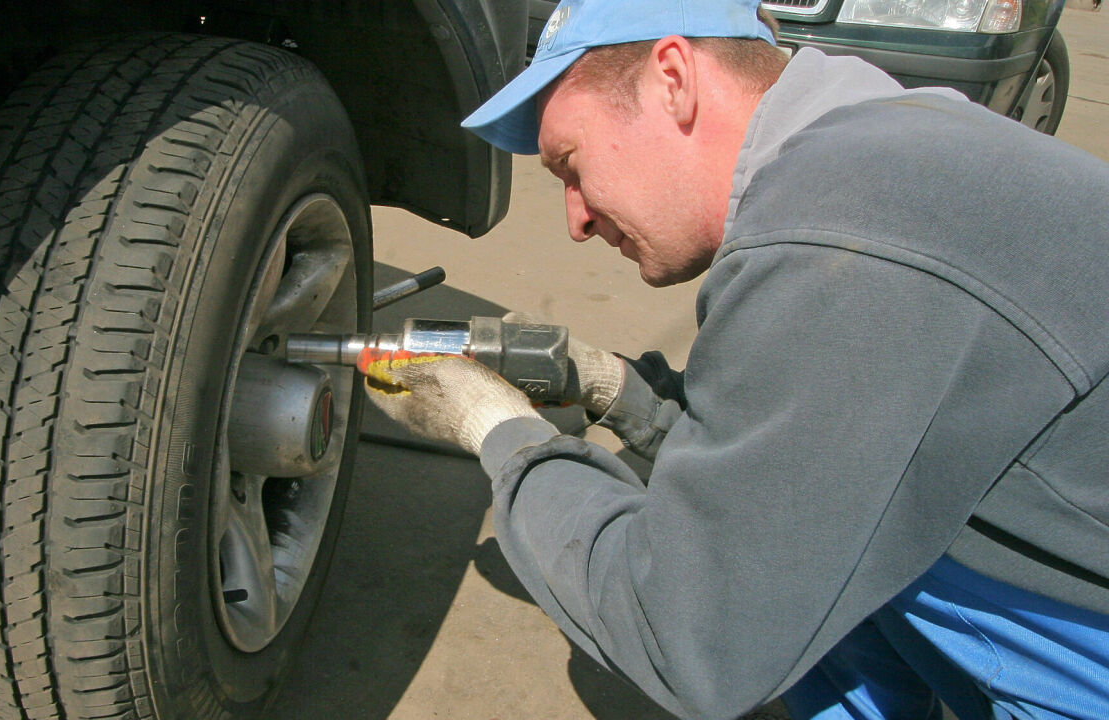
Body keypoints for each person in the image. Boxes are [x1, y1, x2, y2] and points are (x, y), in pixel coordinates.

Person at [358, 0, 1109, 717]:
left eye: (570, 164)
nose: (577, 219)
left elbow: (686, 637)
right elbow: (789, 461)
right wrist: (623, 395)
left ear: (674, 79)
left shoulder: (837, 238)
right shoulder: (881, 146)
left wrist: (503, 434)